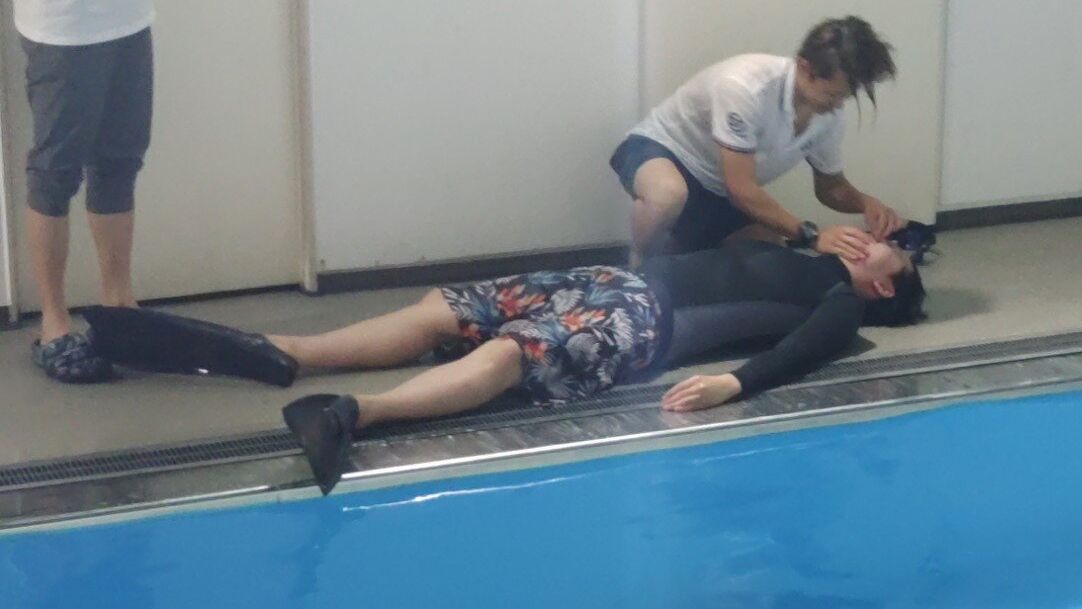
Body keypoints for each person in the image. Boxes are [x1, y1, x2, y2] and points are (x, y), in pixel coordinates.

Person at [86, 237, 929, 494]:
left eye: (886, 251)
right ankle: (285, 353)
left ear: (886, 284)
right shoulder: (799, 250)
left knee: (512, 351)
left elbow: (807, 350)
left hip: (643, 319)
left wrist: (734, 384)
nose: (871, 241)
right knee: (449, 311)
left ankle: (354, 412)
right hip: (612, 281)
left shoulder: (842, 301)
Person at [13, 0, 232, 382]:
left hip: (123, 13)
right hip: (66, 20)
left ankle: (120, 307)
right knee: (55, 173)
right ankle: (53, 324)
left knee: (118, 165)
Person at [611, 15, 903, 268]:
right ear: (805, 68)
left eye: (845, 97)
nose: (838, 105)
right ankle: (637, 268)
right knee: (667, 194)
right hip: (661, 151)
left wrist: (866, 204)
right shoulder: (745, 87)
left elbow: (831, 188)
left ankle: (683, 250)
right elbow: (740, 188)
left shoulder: (827, 115)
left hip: (716, 191)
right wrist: (812, 235)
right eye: (832, 95)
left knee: (770, 257)